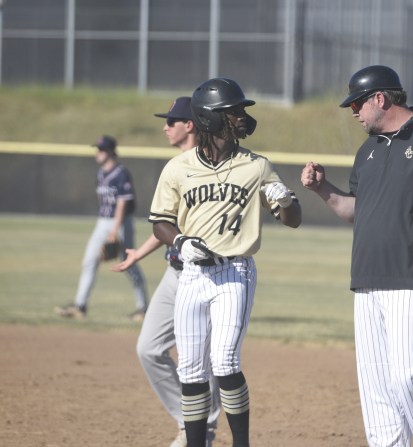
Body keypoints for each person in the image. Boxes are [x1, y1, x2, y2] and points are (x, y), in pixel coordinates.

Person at [300, 65, 413, 447]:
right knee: (377, 387)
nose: (354, 111)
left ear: (381, 98)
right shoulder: (368, 150)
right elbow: (356, 211)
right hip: (366, 280)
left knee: (410, 376)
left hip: (412, 276)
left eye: (358, 103)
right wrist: (322, 189)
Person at [148, 78, 302, 447]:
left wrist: (286, 201)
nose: (240, 118)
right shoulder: (177, 168)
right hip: (191, 276)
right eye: (232, 112)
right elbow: (159, 222)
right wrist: (180, 241)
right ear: (206, 118)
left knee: (225, 361)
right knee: (191, 368)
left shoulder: (257, 166)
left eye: (240, 111)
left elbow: (292, 219)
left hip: (234, 272)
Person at [112, 97, 221, 447]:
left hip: (212, 276)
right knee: (148, 348)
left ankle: (204, 429)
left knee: (209, 358)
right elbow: (166, 225)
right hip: (175, 274)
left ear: (190, 124)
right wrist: (138, 255)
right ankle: (190, 421)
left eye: (172, 120)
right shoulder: (176, 167)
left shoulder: (213, 164)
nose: (165, 126)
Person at [55, 135, 148, 321]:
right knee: (89, 261)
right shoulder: (100, 173)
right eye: (97, 149)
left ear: (111, 151)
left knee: (129, 264)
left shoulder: (121, 173)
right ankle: (80, 306)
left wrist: (115, 230)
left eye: (101, 149)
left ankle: (144, 308)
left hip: (120, 223)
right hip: (102, 221)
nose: (98, 153)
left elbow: (122, 202)